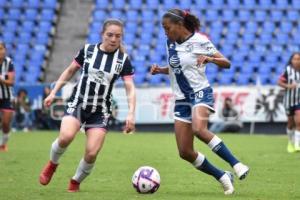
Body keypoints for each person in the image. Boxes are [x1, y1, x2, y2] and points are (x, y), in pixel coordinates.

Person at [150, 9, 249, 195]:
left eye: (167, 28)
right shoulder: (169, 43)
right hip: (181, 99)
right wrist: (161, 70)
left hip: (200, 92)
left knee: (199, 129)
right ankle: (222, 175)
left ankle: (237, 164)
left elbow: (226, 63)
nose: (165, 32)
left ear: (179, 25)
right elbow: (177, 68)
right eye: (163, 28)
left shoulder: (200, 41)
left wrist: (210, 59)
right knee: (185, 152)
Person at [39, 19, 136, 192]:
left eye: (118, 36)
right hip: (78, 103)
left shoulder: (123, 60)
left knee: (91, 153)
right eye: (110, 35)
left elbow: (130, 88)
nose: (114, 39)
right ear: (102, 34)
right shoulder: (88, 50)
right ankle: (52, 164)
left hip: (100, 111)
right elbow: (70, 71)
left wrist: (131, 113)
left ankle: (75, 181)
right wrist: (54, 92)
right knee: (66, 137)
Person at [278, 52, 300, 153]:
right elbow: (279, 82)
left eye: (298, 59)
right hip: (289, 101)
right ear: (291, 60)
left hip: (298, 101)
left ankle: (297, 144)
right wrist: (289, 86)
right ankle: (290, 142)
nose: (296, 61)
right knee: (290, 123)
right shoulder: (287, 70)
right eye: (295, 59)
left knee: (299, 121)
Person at [0, 41, 15, 152]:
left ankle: (3, 144)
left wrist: (1, 79)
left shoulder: (9, 63)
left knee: (5, 123)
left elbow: (11, 82)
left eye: (1, 49)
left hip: (6, 96)